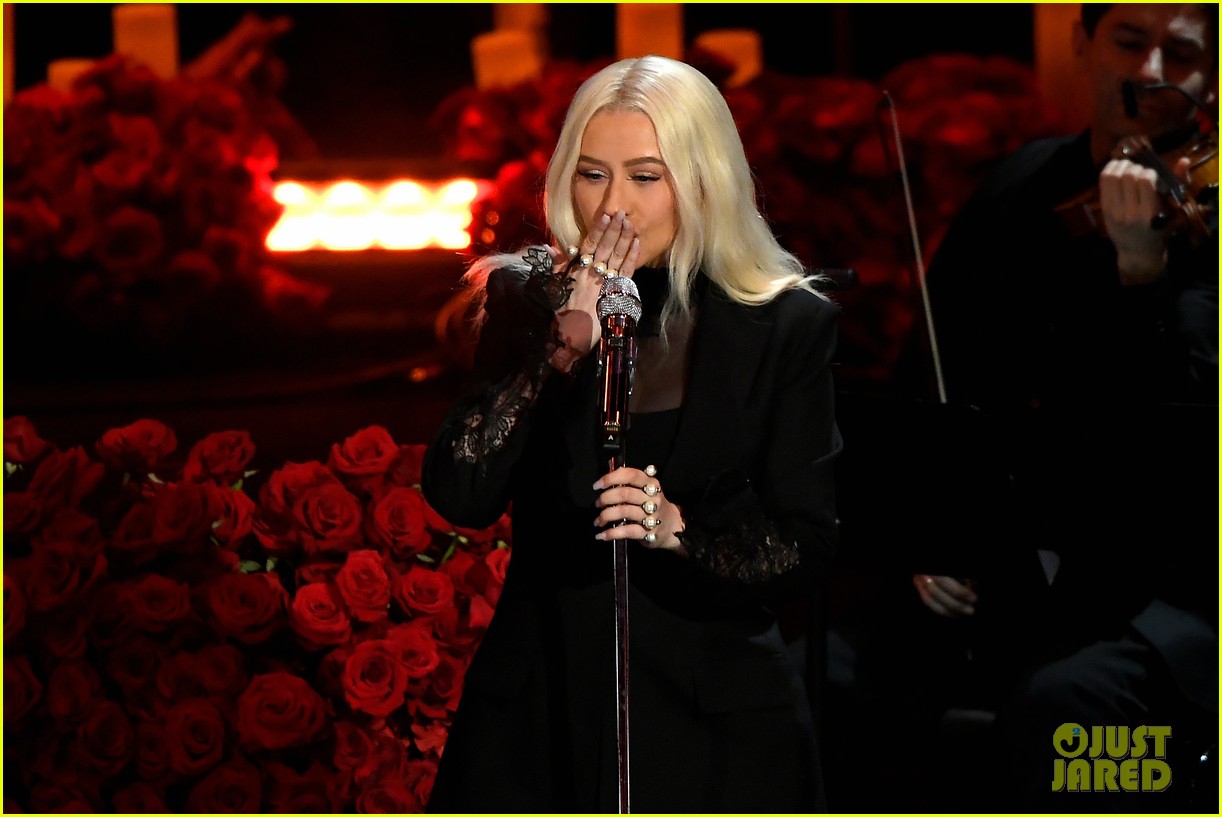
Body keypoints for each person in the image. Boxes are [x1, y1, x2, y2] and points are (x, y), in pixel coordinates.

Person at [420, 55, 841, 812]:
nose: (613, 206)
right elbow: (461, 490)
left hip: (713, 723)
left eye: (645, 177)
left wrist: (678, 529)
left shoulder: (784, 324)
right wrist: (558, 348)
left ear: (702, 181)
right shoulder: (528, 300)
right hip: (542, 713)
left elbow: (805, 547)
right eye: (592, 175)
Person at [898, 3, 1216, 811]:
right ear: (1083, 43)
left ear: (1212, 78)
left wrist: (1142, 278)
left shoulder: (1206, 210)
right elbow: (931, 375)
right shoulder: (1021, 185)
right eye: (1129, 41)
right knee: (830, 676)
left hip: (1167, 602)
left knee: (1064, 714)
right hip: (1012, 576)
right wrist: (933, 533)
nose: (1149, 72)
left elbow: (1184, 450)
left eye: (1180, 53)